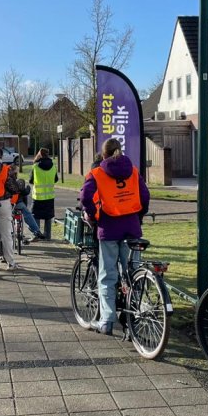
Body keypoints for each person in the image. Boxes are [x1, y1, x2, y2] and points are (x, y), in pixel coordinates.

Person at [79, 138, 150, 335]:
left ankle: (107, 320)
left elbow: (85, 197)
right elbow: (145, 196)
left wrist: (94, 215)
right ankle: (133, 316)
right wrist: (139, 215)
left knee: (107, 275)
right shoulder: (134, 171)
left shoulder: (97, 173)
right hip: (132, 228)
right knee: (133, 272)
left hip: (109, 229)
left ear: (103, 155)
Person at [12, 176, 46, 241]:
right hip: (19, 204)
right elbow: (26, 192)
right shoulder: (19, 185)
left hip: (7, 204)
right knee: (28, 214)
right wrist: (28, 188)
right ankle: (36, 231)